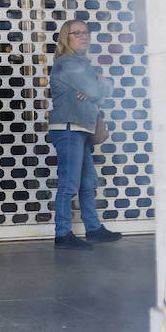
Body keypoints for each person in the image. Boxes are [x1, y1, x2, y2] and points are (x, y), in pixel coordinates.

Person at [47, 19, 121, 250]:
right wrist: (95, 88)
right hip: (69, 129)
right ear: (65, 39)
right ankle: (62, 233)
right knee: (69, 184)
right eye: (76, 33)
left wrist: (97, 87)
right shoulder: (67, 63)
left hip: (80, 129)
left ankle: (93, 229)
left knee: (87, 183)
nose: (83, 37)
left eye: (85, 33)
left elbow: (98, 89)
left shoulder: (83, 65)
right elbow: (95, 90)